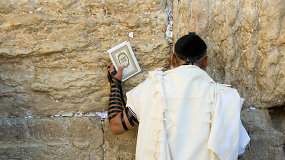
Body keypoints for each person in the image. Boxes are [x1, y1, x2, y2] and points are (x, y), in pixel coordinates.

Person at [106, 32, 250, 160]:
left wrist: (115, 83)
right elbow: (236, 152)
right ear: (206, 62)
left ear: (173, 59)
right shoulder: (224, 98)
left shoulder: (153, 88)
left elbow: (116, 125)